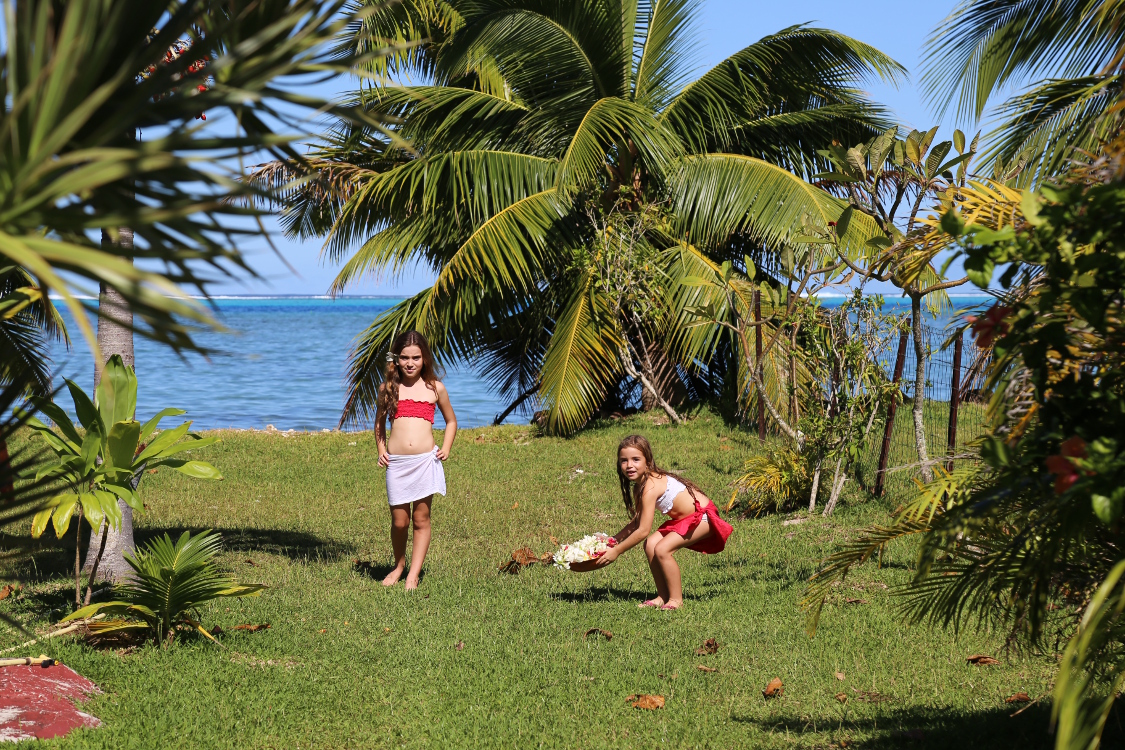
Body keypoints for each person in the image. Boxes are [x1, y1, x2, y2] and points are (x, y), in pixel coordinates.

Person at [594, 434, 732, 610]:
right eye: (624, 460)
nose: (629, 465)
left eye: (636, 459)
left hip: (703, 516)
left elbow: (643, 530)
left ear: (648, 461)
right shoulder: (640, 487)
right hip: (685, 519)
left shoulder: (650, 486)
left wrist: (617, 552)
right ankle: (662, 596)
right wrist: (613, 540)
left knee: (662, 549)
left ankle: (676, 600)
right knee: (651, 544)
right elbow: (637, 523)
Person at [375, 330, 457, 589]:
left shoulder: (435, 388)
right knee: (400, 521)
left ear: (425, 358)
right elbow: (378, 424)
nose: (410, 363)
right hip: (397, 464)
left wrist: (446, 447)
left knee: (421, 519)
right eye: (404, 357)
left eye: (416, 357)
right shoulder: (388, 388)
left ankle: (413, 573)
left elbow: (451, 421)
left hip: (425, 462)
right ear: (396, 359)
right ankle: (399, 565)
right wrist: (381, 449)